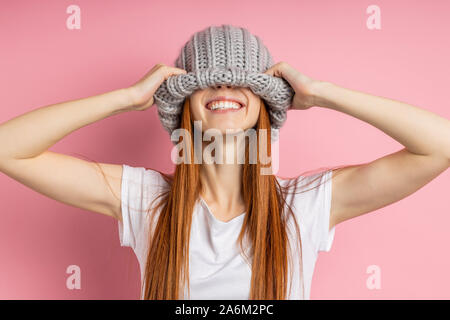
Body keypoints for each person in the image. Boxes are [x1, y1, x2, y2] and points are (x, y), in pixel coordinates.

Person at [0, 24, 448, 300]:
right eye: (207, 82)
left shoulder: (305, 205)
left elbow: (440, 146)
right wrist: (125, 99)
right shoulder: (144, 200)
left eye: (243, 83)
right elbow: (8, 148)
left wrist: (323, 92)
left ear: (263, 107)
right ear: (185, 106)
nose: (224, 89)